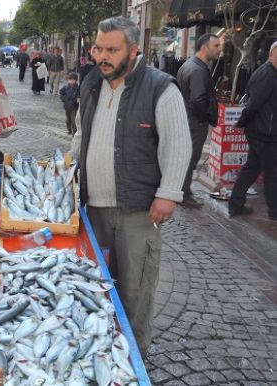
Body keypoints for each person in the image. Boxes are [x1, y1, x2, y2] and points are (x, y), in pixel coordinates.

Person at [70, 16, 191, 356]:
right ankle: (99, 354)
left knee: (136, 290)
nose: (102, 56)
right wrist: (67, 168)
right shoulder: (92, 83)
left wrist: (169, 194)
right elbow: (82, 134)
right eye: (98, 48)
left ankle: (134, 357)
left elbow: (178, 144)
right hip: (94, 207)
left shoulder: (160, 88)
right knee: (93, 284)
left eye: (112, 49)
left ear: (134, 50)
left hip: (138, 210)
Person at [229, 41, 277, 220]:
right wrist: (242, 121)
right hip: (264, 132)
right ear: (271, 55)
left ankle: (236, 204)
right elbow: (254, 103)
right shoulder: (267, 74)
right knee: (272, 172)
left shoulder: (271, 73)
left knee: (253, 168)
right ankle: (274, 211)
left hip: (263, 130)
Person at [176, 33, 221, 208]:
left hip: (188, 119)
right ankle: (184, 194)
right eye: (216, 46)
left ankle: (182, 191)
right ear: (204, 47)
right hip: (194, 121)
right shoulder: (197, 70)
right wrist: (205, 118)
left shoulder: (189, 66)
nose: (219, 49)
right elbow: (197, 100)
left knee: (187, 157)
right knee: (190, 157)